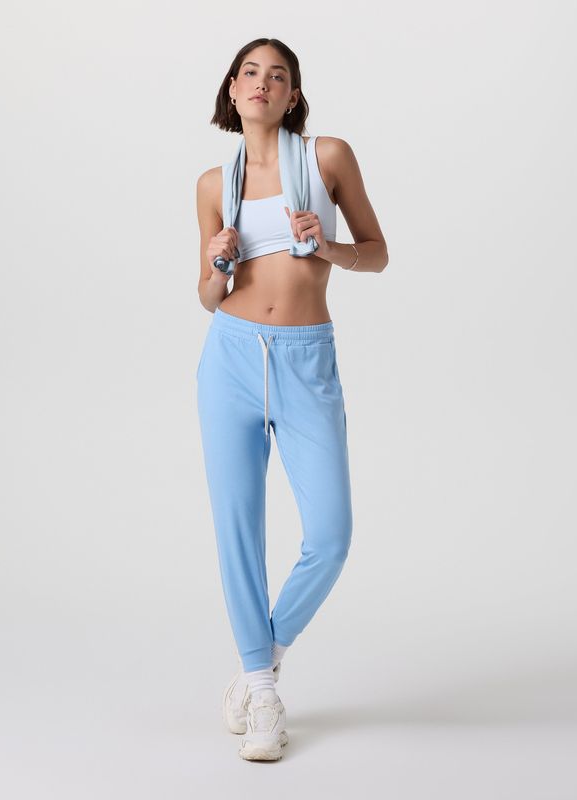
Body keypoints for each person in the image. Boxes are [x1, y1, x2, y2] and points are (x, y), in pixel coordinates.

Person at [195, 37, 388, 761]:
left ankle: (263, 660)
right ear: (233, 88)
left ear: (292, 95)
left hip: (306, 360)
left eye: (278, 76)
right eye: (250, 72)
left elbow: (377, 252)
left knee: (330, 535)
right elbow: (208, 295)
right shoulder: (213, 184)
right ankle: (263, 695)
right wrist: (217, 264)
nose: (262, 83)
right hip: (231, 360)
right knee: (238, 529)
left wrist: (327, 246)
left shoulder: (326, 158)